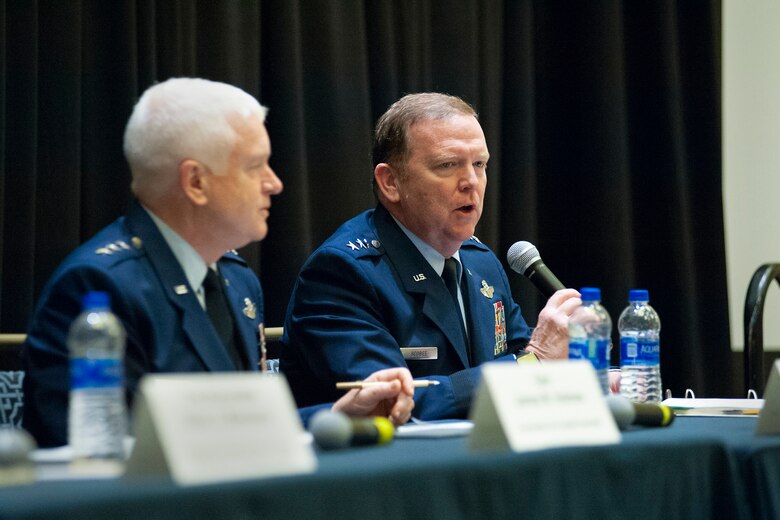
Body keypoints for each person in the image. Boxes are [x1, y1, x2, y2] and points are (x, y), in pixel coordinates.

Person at [22, 78, 414, 448]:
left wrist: (334, 415)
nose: (275, 183)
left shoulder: (236, 279)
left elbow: (240, 432)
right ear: (195, 182)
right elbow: (94, 454)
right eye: (255, 166)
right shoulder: (97, 288)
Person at [281, 93, 581, 419]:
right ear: (391, 182)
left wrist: (592, 379)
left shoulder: (480, 261)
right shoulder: (342, 273)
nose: (471, 182)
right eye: (447, 165)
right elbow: (391, 406)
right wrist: (533, 364)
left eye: (479, 164)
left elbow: (521, 354)